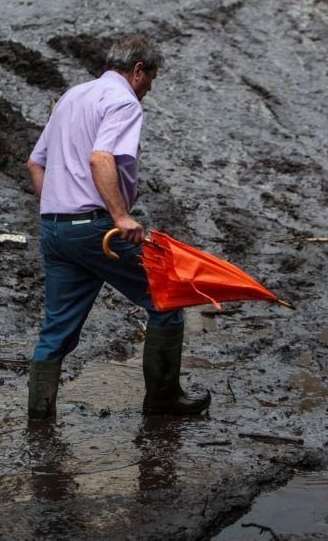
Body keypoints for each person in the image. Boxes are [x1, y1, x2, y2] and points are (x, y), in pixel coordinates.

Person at [25, 34, 211, 420]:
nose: (148, 90)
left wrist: (55, 208)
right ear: (138, 70)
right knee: (167, 299)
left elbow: (35, 163)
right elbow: (100, 158)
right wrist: (121, 216)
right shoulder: (123, 100)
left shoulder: (73, 96)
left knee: (55, 331)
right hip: (98, 231)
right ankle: (163, 401)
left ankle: (38, 419)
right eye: (151, 79)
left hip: (56, 230)